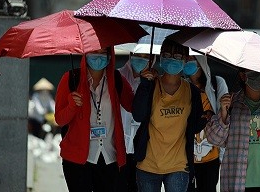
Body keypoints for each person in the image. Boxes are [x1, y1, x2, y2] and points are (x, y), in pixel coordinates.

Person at [54, 47, 135, 192]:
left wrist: (147, 82)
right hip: (77, 158)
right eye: (93, 51)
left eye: (103, 52)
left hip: (110, 156)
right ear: (85, 53)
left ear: (110, 55)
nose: (98, 57)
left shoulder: (116, 79)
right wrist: (72, 105)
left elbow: (133, 107)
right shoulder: (70, 79)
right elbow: (60, 119)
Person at [132, 39, 207, 192]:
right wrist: (145, 84)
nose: (172, 59)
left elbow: (194, 125)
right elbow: (138, 115)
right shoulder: (150, 85)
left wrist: (206, 118)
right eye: (167, 55)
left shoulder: (191, 91)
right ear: (160, 57)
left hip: (178, 165)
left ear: (186, 60)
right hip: (148, 164)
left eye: (178, 56)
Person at [183, 54, 228, 192]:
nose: (188, 62)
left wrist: (222, 155)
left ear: (200, 61)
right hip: (184, 157)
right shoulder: (181, 86)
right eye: (185, 59)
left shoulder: (216, 83)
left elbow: (224, 119)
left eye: (192, 59)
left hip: (211, 158)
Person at [117, 52, 157, 192]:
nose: (141, 59)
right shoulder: (117, 77)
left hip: (143, 147)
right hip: (117, 146)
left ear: (152, 59)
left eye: (146, 56)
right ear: (130, 54)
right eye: (138, 55)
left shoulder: (156, 83)